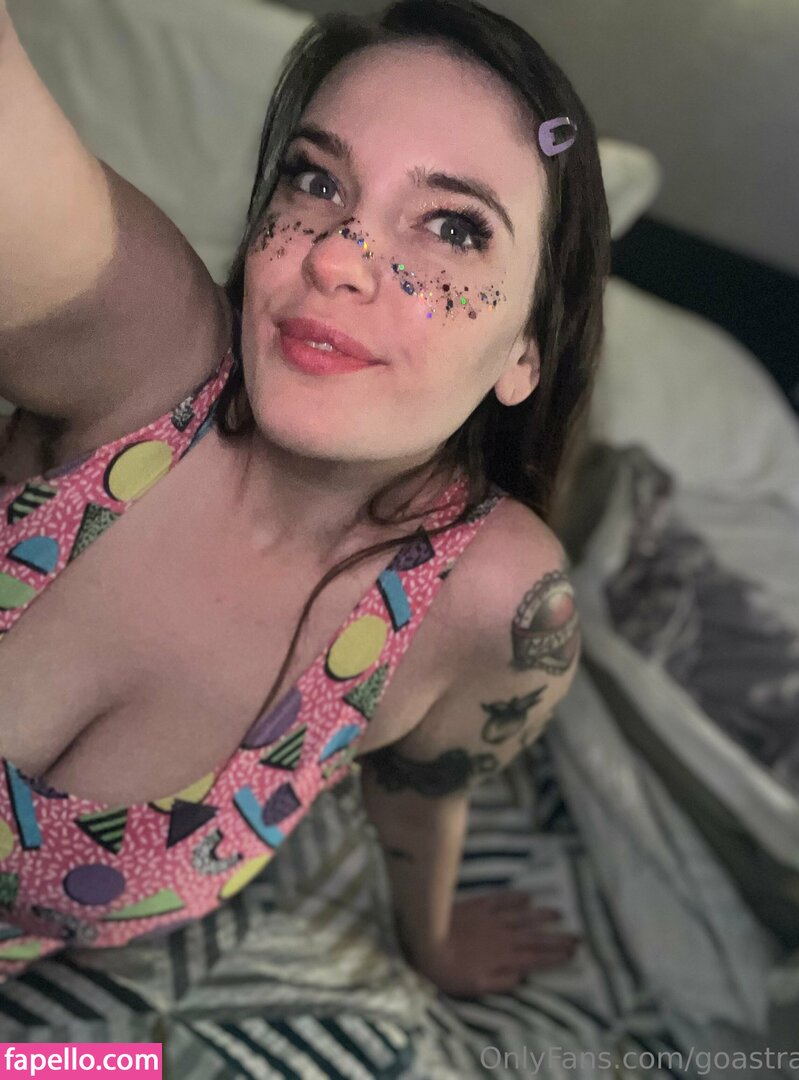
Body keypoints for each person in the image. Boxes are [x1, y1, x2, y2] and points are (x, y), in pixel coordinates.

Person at [0, 0, 609, 999]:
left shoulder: (497, 602)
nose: (335, 255)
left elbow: (421, 793)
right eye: (316, 180)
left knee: (123, 1068)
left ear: (526, 353)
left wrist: (433, 945)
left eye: (454, 226)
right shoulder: (141, 354)